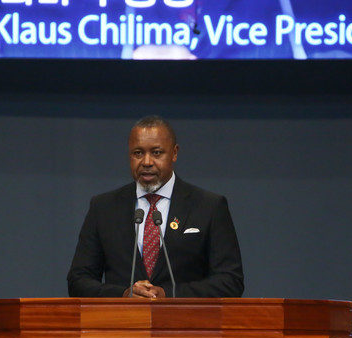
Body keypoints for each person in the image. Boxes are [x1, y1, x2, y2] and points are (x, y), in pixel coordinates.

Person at [67, 115, 244, 298]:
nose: (147, 162)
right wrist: (124, 295)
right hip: (123, 316)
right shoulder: (103, 208)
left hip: (184, 316)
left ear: (174, 153)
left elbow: (230, 281)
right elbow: (78, 281)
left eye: (157, 152)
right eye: (138, 153)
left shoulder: (209, 206)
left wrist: (169, 295)